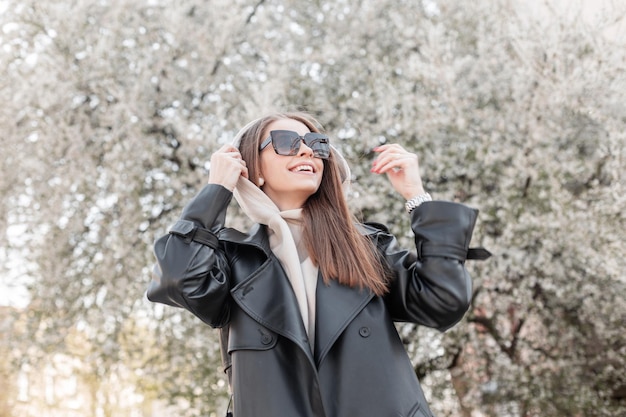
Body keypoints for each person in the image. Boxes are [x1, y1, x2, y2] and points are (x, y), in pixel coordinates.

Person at [147, 111, 490, 417]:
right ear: (253, 168)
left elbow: (444, 301)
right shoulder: (233, 261)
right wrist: (217, 189)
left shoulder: (364, 247)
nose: (307, 150)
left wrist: (416, 195)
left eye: (317, 143)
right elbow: (178, 278)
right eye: (286, 142)